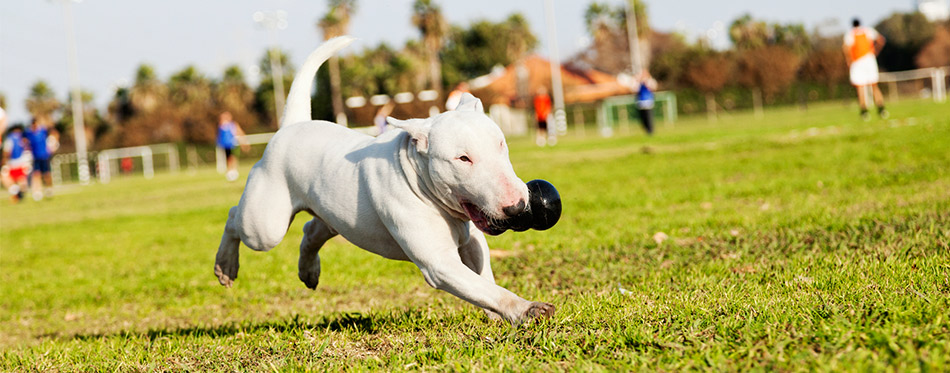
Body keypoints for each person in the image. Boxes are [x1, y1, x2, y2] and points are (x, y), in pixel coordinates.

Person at [843, 18, 888, 121]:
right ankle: (881, 109)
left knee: (860, 87)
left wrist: (849, 60)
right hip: (869, 59)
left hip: (857, 62)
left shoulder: (850, 34)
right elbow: (881, 40)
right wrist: (875, 51)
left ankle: (864, 112)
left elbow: (846, 48)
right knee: (874, 86)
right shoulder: (868, 31)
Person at [24, 117, 58, 201]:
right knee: (36, 174)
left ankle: (49, 189)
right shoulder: (29, 133)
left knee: (47, 174)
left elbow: (54, 134)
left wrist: (53, 147)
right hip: (35, 157)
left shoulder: (43, 131)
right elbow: (24, 140)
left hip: (44, 156)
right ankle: (37, 192)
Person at [1, 125, 31, 203]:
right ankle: (18, 195)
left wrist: (4, 161)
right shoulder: (23, 138)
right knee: (21, 181)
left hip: (13, 163)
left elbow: (7, 151)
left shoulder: (10, 138)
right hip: (22, 162)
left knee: (6, 179)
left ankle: (17, 194)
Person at [216, 111, 250, 181]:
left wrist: (244, 143)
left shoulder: (233, 125)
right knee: (228, 158)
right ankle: (230, 172)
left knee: (233, 157)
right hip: (225, 145)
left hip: (233, 144)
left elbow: (239, 133)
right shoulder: (221, 125)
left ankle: (234, 171)